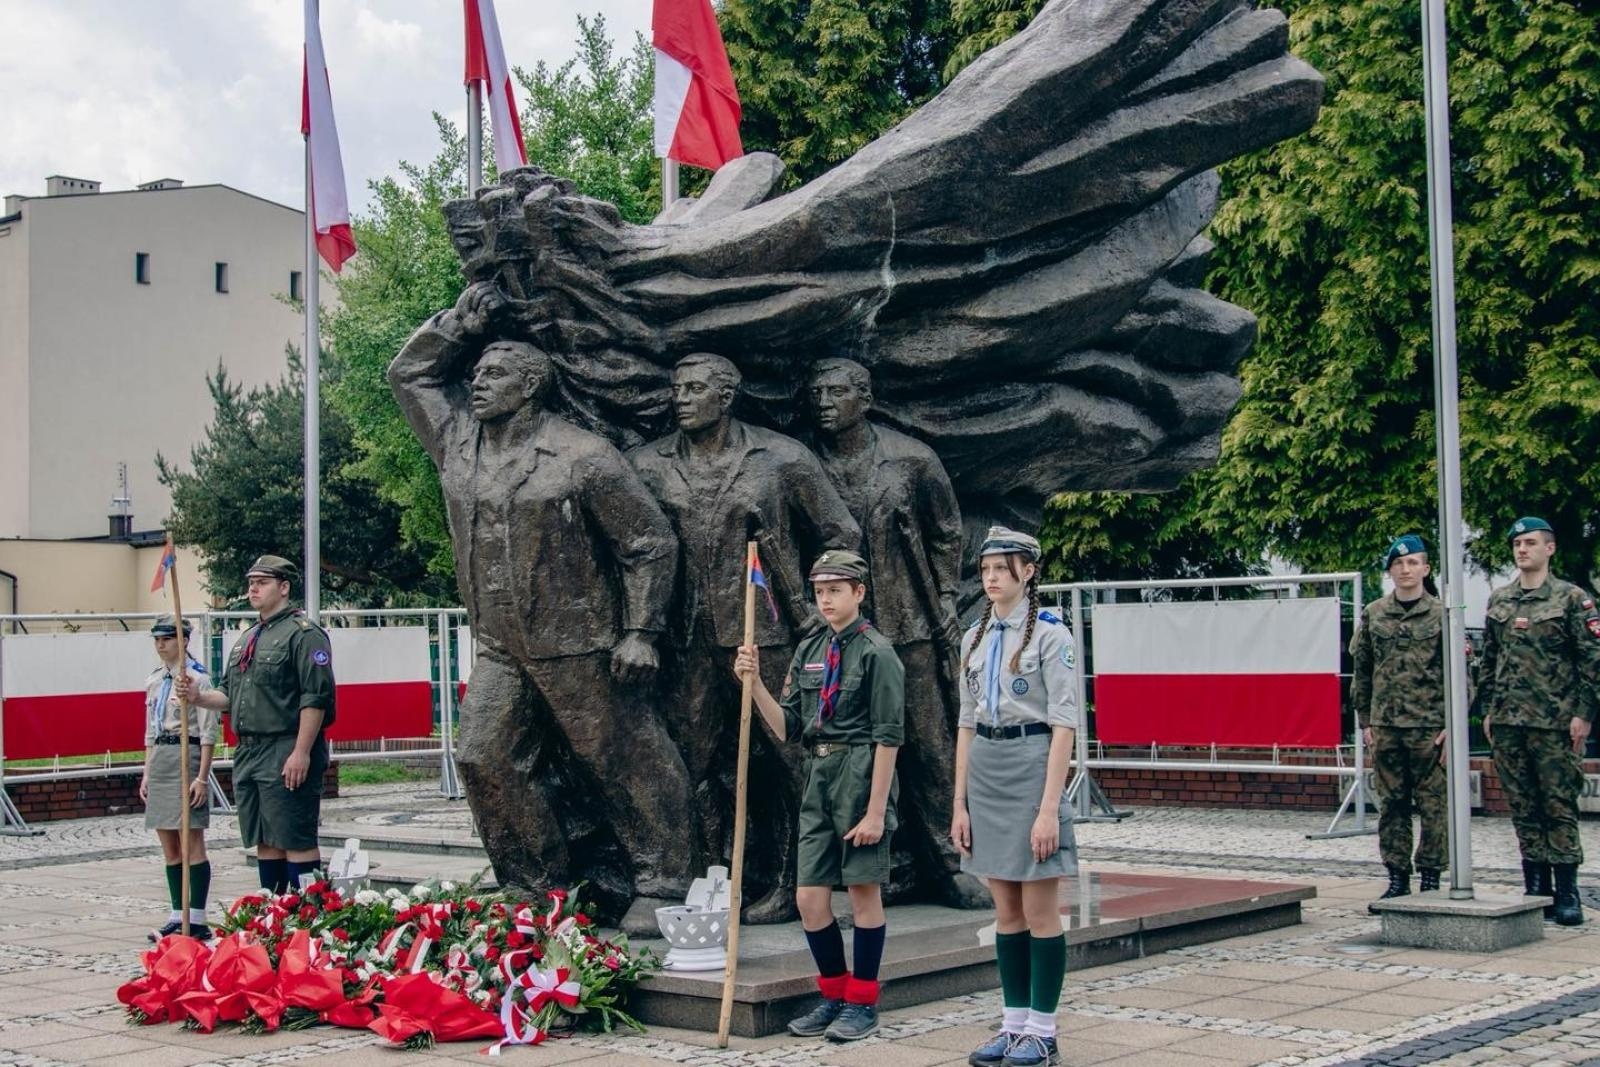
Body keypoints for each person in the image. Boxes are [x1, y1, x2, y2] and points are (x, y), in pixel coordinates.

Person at [389, 283, 694, 920]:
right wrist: (456, 322)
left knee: (622, 759)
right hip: (501, 644)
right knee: (481, 756)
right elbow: (409, 373)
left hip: (579, 643)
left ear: (530, 386)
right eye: (475, 373)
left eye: (494, 374)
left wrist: (642, 629)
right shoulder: (458, 444)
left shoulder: (582, 456)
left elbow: (648, 541)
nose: (476, 383)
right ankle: (537, 887)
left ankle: (664, 883)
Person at [630, 352, 861, 922]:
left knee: (790, 759)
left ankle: (799, 879)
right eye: (677, 387)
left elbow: (841, 531)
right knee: (695, 763)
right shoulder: (648, 464)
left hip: (768, 636)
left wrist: (817, 606)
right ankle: (711, 880)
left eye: (696, 388)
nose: (682, 396)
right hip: (686, 643)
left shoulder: (781, 458)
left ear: (726, 396)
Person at [806, 358, 986, 908]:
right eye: (817, 392)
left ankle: (949, 862)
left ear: (865, 398)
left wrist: (946, 601)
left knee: (929, 744)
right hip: (838, 632)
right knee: (841, 749)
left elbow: (946, 532)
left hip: (907, 624)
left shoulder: (910, 459)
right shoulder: (804, 462)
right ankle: (857, 867)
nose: (824, 402)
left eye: (836, 391)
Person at [734, 549, 904, 1042]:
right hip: (818, 775)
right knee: (809, 897)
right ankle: (834, 994)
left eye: (835, 590)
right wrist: (754, 683)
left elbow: (889, 738)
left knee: (862, 892)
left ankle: (862, 1001)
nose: (826, 599)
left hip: (860, 773)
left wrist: (875, 811)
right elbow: (787, 726)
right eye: (820, 591)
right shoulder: (810, 649)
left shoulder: (878, 653)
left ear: (858, 593)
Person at [951, 527, 1079, 1067]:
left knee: (1039, 907)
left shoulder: (1053, 635)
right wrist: (958, 802)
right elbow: (964, 723)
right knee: (1005, 909)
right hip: (987, 769)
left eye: (1001, 570)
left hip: (1031, 767)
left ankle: (1043, 1032)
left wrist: (1049, 807)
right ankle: (1013, 1023)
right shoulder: (973, 638)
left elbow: (1065, 724)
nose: (991, 580)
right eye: (984, 571)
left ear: (1028, 571)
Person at [180, 556, 336, 895]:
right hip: (250, 750)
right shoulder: (248, 637)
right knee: (264, 838)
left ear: (283, 587)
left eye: (262, 582)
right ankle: (273, 917)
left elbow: (316, 698)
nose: (253, 587)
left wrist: (301, 752)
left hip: (285, 746)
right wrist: (198, 696)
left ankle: (308, 918)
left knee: (294, 836)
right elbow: (228, 693)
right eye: (251, 581)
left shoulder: (304, 635)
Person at [1476, 517, 1600, 926]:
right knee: (1524, 807)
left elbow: (1591, 661)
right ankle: (1537, 888)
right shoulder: (1500, 600)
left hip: (1555, 723)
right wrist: (1489, 710)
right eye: (1516, 543)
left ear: (1550, 548)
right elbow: (1489, 661)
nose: (1522, 549)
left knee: (1558, 806)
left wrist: (1584, 714)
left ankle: (1567, 892)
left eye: (1530, 543)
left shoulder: (1571, 598)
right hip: (1510, 722)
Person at [1349, 535, 1448, 905]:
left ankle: (1432, 878)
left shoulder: (1442, 614)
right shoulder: (1374, 613)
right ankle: (1397, 877)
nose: (1406, 570)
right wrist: (1365, 721)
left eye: (1413, 563)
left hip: (1428, 727)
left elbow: (1458, 673)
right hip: (1387, 727)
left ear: (1426, 568)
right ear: (1390, 571)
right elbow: (1363, 671)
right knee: (1391, 806)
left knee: (1434, 806)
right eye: (1398, 565)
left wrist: (1452, 725)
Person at [140, 614, 220, 941]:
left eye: (167, 639)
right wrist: (146, 772)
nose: (161, 645)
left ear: (184, 640)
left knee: (191, 841)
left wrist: (202, 778)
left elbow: (209, 732)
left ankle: (196, 917)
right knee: (169, 844)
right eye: (157, 639)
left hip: (187, 757)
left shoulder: (198, 680)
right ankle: (177, 913)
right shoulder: (156, 680)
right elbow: (149, 732)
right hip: (161, 757)